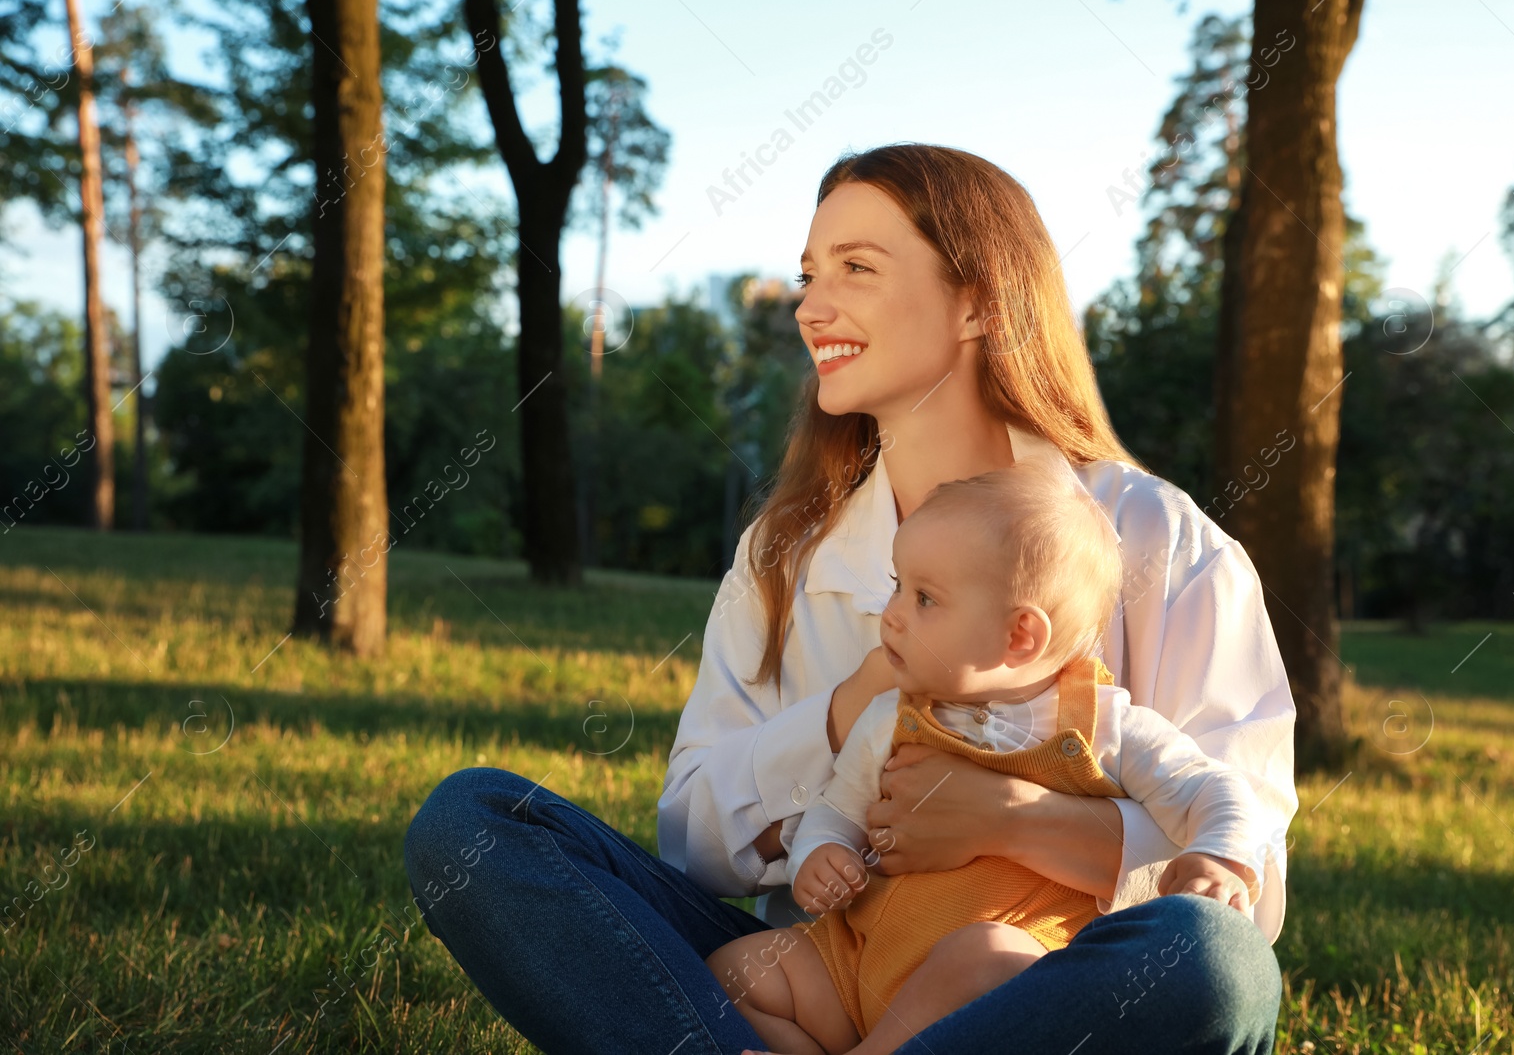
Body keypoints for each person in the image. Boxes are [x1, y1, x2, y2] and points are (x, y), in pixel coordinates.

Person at [403, 142, 1297, 1055]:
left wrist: (1012, 825)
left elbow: (1244, 881)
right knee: (473, 824)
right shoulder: (783, 551)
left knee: (1208, 963)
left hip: (1031, 1000)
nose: (809, 306)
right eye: (808, 274)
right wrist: (848, 711)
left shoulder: (1155, 537)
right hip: (818, 978)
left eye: (856, 269)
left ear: (981, 300)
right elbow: (693, 840)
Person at [704, 457, 1268, 1055]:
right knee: (737, 974)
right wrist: (822, 851)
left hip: (989, 1001)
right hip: (858, 968)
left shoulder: (1105, 726)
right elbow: (837, 807)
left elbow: (1214, 789)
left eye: (924, 598)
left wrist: (1219, 857)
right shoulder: (891, 717)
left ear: (1020, 635)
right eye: (898, 584)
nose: (891, 613)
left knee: (986, 954)